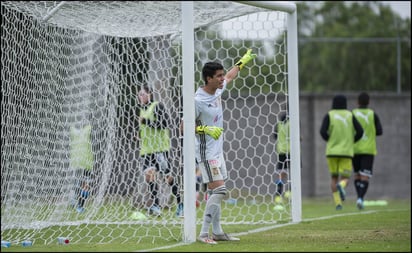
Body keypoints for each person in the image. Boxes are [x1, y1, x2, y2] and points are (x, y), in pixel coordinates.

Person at [195, 49, 256, 244]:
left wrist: (241, 62)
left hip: (218, 151)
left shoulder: (219, 89)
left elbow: (230, 75)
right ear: (208, 78)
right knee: (220, 190)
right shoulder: (197, 100)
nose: (222, 79)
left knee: (216, 192)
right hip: (206, 153)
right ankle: (204, 234)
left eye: (222, 75)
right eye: (218, 76)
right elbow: (183, 127)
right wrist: (205, 129)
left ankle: (218, 232)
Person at [137, 85, 183, 217]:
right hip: (146, 149)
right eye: (139, 94)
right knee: (149, 176)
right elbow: (146, 130)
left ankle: (181, 204)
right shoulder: (142, 110)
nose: (141, 97)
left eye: (143, 94)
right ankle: (156, 206)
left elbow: (164, 124)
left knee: (167, 177)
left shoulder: (157, 106)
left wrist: (145, 122)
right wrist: (139, 135)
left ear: (150, 94)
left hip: (160, 149)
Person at [319, 94, 363, 210]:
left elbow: (322, 131)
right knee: (345, 178)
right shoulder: (350, 115)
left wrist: (330, 140)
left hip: (331, 152)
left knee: (333, 178)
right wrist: (351, 141)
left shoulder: (329, 115)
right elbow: (360, 131)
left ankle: (338, 203)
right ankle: (341, 185)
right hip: (346, 152)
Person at [352, 92, 383, 210]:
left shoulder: (353, 113)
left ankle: (359, 198)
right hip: (368, 149)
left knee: (357, 176)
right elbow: (380, 131)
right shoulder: (372, 114)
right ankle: (360, 198)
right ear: (368, 102)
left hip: (355, 149)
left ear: (357, 102)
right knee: (365, 176)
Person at [273, 112, 290, 208]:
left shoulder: (278, 124)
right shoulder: (292, 123)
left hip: (281, 151)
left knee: (281, 173)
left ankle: (278, 195)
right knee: (294, 172)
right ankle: (289, 192)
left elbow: (274, 136)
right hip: (291, 151)